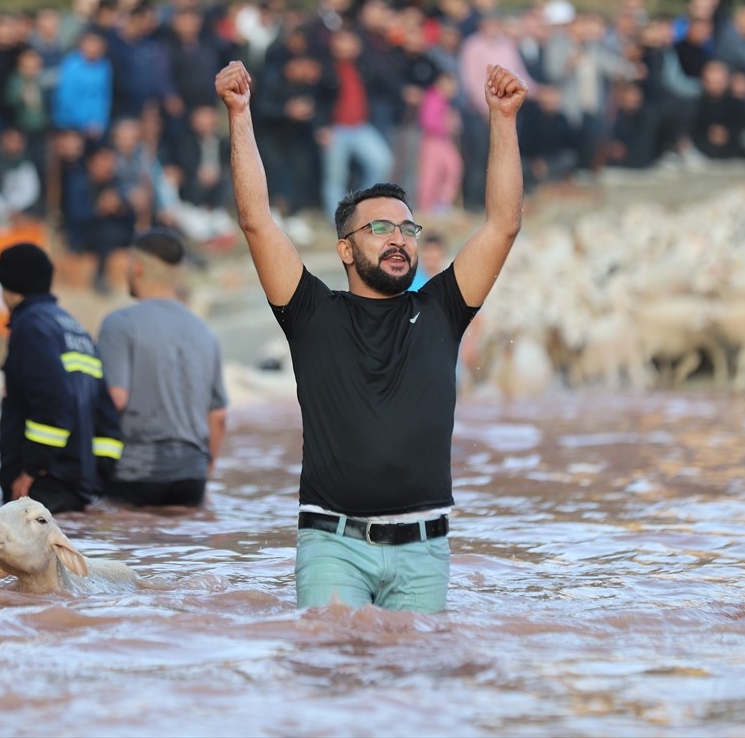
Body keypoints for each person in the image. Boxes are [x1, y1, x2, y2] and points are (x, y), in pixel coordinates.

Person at [216, 59, 526, 612]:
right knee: (331, 679)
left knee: (414, 694)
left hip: (424, 552)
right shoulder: (311, 312)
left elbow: (502, 224)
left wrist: (503, 120)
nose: (399, 239)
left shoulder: (441, 310)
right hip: (332, 545)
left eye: (407, 228)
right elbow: (257, 219)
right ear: (345, 249)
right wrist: (240, 115)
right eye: (379, 228)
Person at [95, 228, 228, 508]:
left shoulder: (119, 324)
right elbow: (218, 417)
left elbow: (115, 398)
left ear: (138, 267)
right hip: (191, 478)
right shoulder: (205, 332)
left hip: (135, 475)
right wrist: (204, 474)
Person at [0, 242, 124, 514]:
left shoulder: (30, 326)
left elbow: (52, 405)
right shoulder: (73, 327)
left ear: (5, 283)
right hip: (80, 489)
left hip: (41, 487)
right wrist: (97, 477)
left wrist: (30, 469)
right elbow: (108, 418)